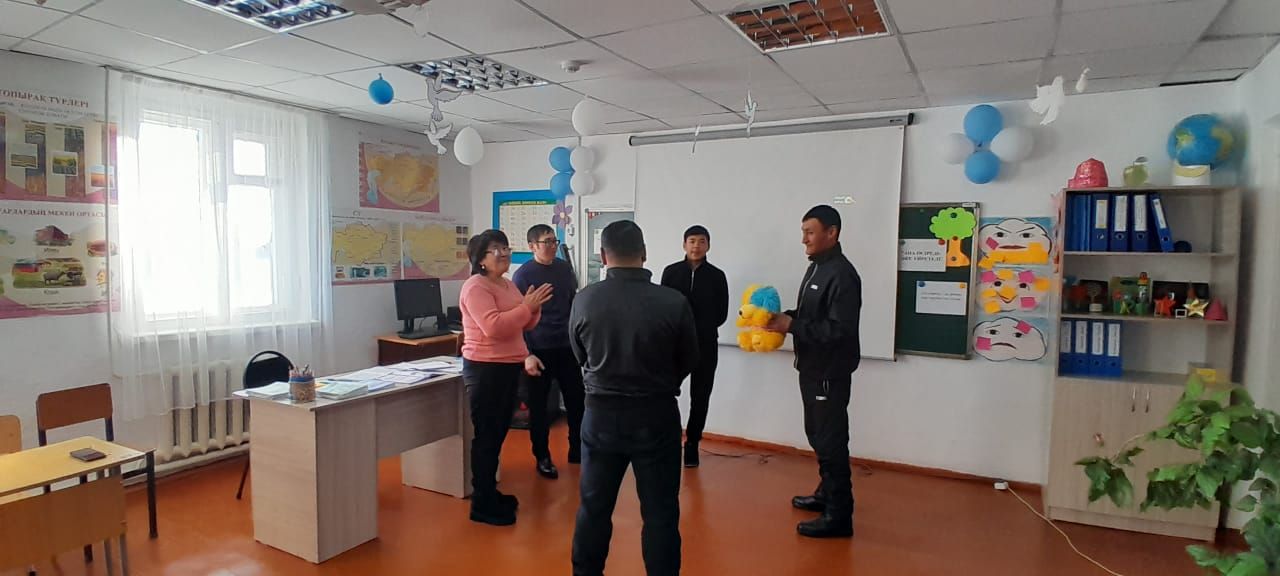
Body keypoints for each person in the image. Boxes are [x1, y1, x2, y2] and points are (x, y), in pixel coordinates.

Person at [570, 220, 699, 576]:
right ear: (644, 254)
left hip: (600, 415)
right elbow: (690, 358)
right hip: (656, 415)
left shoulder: (585, 299)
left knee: (593, 508)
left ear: (602, 256)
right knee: (660, 513)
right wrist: (661, 382)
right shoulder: (673, 302)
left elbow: (579, 354)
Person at [764, 205, 862, 539]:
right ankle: (826, 493)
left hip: (828, 372)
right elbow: (812, 316)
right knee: (817, 434)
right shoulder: (817, 268)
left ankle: (839, 514)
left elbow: (839, 330)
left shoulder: (842, 274)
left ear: (831, 233)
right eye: (803, 232)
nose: (804, 239)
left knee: (830, 441)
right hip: (811, 367)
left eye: (810, 232)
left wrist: (792, 325)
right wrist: (785, 317)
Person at [459, 229, 553, 526]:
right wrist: (527, 307)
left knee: (498, 432)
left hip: (508, 366)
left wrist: (533, 309)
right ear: (481, 259)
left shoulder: (507, 284)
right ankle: (482, 503)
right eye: (495, 250)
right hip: (486, 368)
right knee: (487, 436)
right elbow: (494, 327)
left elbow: (524, 323)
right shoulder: (476, 287)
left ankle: (490, 492)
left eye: (505, 248)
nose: (503, 253)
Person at [512, 224, 585, 480]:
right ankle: (542, 456)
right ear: (532, 246)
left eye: (554, 241)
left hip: (566, 346)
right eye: (547, 242)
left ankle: (577, 449)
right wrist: (526, 353)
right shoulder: (523, 275)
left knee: (577, 402)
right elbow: (518, 317)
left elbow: (572, 303)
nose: (553, 246)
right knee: (539, 407)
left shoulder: (564, 269)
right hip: (538, 348)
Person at [660, 225, 729, 468]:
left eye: (701, 241)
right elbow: (663, 307)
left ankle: (692, 444)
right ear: (684, 244)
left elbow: (721, 314)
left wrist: (700, 326)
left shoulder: (717, 276)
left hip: (705, 344)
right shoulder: (671, 272)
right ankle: (667, 439)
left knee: (700, 397)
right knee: (665, 392)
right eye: (692, 241)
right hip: (674, 346)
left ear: (708, 245)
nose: (696, 246)